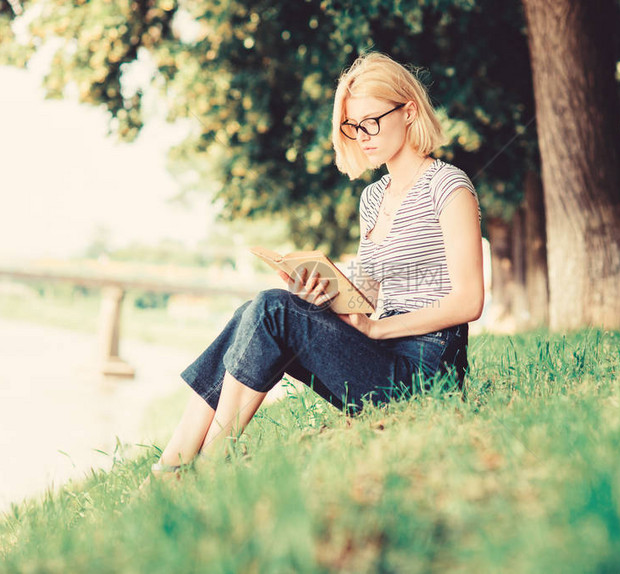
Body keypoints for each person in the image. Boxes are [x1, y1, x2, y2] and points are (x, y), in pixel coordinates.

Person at [150, 52, 484, 477]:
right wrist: (323, 292)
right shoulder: (374, 197)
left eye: (371, 122)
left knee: (272, 310)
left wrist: (377, 328)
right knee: (259, 311)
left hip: (427, 369)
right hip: (381, 356)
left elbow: (470, 300)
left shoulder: (449, 187)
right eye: (352, 126)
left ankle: (210, 461)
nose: (361, 135)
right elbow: (371, 293)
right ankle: (173, 463)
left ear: (410, 111)